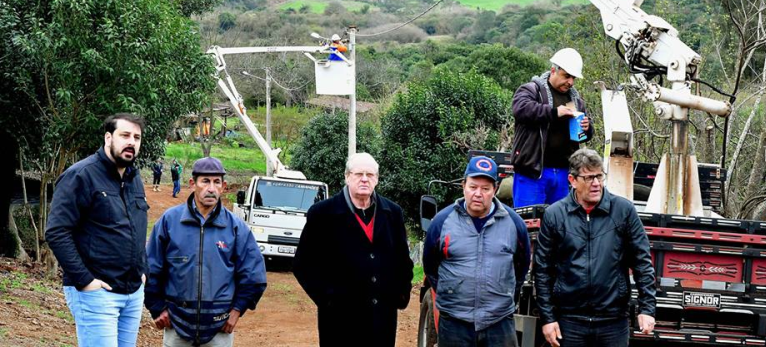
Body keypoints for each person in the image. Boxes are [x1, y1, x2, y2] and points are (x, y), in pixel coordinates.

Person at [45, 113, 149, 347]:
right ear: (108, 137)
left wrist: (144, 270)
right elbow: (56, 231)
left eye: (137, 137)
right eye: (125, 135)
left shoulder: (134, 179)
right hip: (97, 294)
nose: (131, 142)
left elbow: (137, 228)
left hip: (132, 293)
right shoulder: (80, 175)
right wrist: (85, 280)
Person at [534, 149, 656, 347]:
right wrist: (547, 318)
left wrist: (647, 309)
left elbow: (642, 262)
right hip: (569, 322)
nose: (596, 184)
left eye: (599, 176)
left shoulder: (623, 211)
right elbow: (542, 271)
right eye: (589, 178)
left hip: (613, 322)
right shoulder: (555, 215)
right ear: (572, 180)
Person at [294, 153, 413, 347]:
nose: (364, 179)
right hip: (339, 320)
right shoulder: (322, 214)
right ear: (347, 176)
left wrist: (401, 293)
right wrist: (328, 300)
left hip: (381, 318)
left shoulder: (393, 212)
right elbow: (303, 264)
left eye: (370, 174)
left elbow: (403, 259)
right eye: (358, 174)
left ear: (377, 179)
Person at [145, 157, 267, 347]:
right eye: (205, 181)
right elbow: (150, 267)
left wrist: (236, 310)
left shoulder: (235, 227)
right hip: (177, 327)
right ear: (193, 183)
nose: (211, 188)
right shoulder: (169, 221)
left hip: (219, 329)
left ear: (223, 186)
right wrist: (156, 307)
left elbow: (254, 275)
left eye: (216, 182)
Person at [423, 156, 531, 347]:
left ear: (495, 190)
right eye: (473, 187)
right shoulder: (442, 222)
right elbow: (431, 266)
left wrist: (503, 295)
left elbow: (520, 267)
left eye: (485, 188)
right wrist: (450, 295)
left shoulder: (514, 224)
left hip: (499, 323)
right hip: (455, 322)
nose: (478, 194)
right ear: (463, 186)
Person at [510, 47, 594, 207]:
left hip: (563, 173)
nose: (570, 82)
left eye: (573, 78)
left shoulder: (575, 100)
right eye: (566, 76)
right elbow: (521, 109)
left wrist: (587, 128)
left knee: (559, 226)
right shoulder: (532, 90)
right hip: (533, 171)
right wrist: (554, 112)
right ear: (553, 70)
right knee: (529, 222)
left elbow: (585, 135)